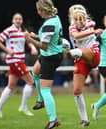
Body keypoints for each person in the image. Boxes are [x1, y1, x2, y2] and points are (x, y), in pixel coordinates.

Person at [24, 0, 63, 128]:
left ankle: (53, 119)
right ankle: (41, 101)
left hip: (50, 57)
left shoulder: (49, 24)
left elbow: (45, 46)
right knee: (34, 73)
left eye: (38, 9)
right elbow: (50, 38)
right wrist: (36, 36)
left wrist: (30, 40)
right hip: (50, 55)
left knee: (45, 89)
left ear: (42, 10)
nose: (37, 11)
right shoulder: (55, 18)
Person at [0, 13, 38, 118]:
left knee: (11, 86)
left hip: (18, 60)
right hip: (15, 60)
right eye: (16, 19)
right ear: (13, 21)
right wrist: (7, 50)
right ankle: (23, 107)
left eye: (20, 19)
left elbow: (28, 40)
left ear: (21, 21)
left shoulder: (22, 31)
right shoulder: (9, 30)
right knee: (30, 81)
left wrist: (32, 47)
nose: (18, 20)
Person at [68, 4, 103, 127]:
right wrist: (93, 32)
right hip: (80, 60)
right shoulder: (72, 27)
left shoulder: (90, 23)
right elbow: (76, 36)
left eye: (81, 19)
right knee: (76, 90)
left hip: (93, 55)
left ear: (85, 18)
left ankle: (69, 53)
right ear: (73, 19)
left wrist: (79, 11)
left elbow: (88, 24)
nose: (79, 21)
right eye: (76, 19)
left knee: (79, 52)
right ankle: (84, 119)